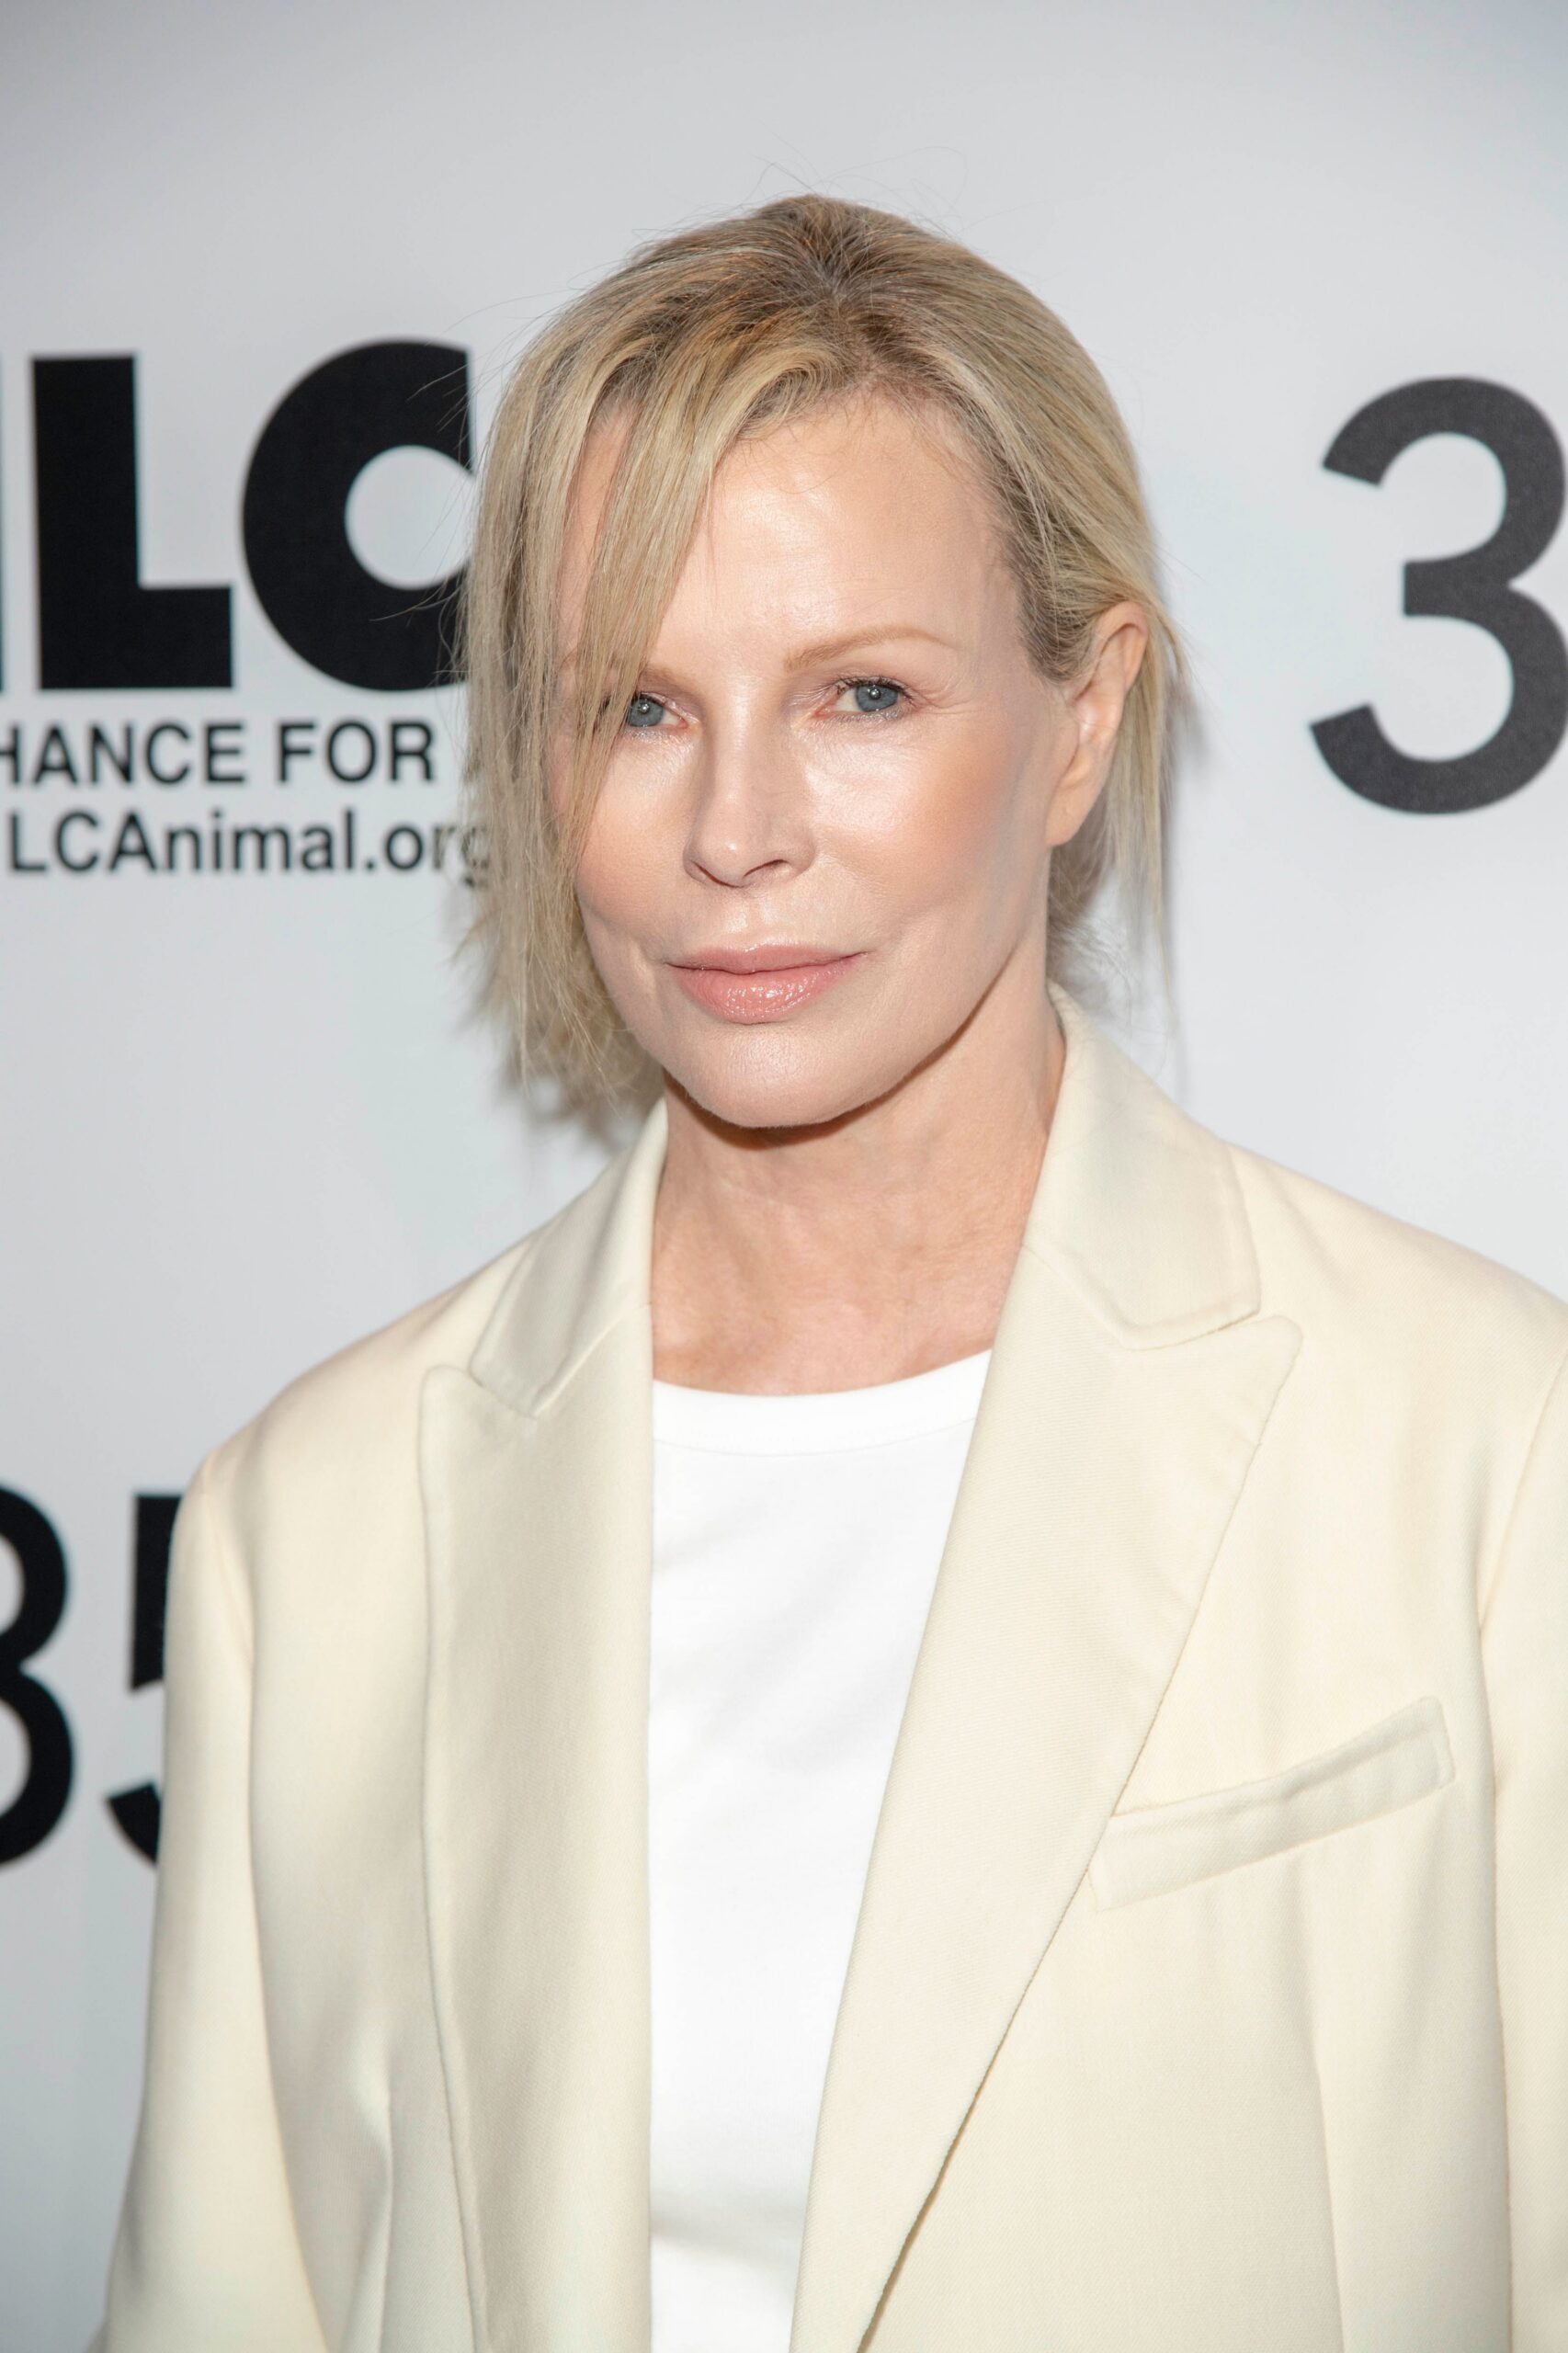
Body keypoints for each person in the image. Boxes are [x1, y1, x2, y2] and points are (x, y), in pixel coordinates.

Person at [95, 197, 1567, 2353]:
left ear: (1082, 720)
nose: (735, 830)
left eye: (861, 691)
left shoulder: (1476, 1441)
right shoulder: (308, 1527)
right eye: (635, 706)